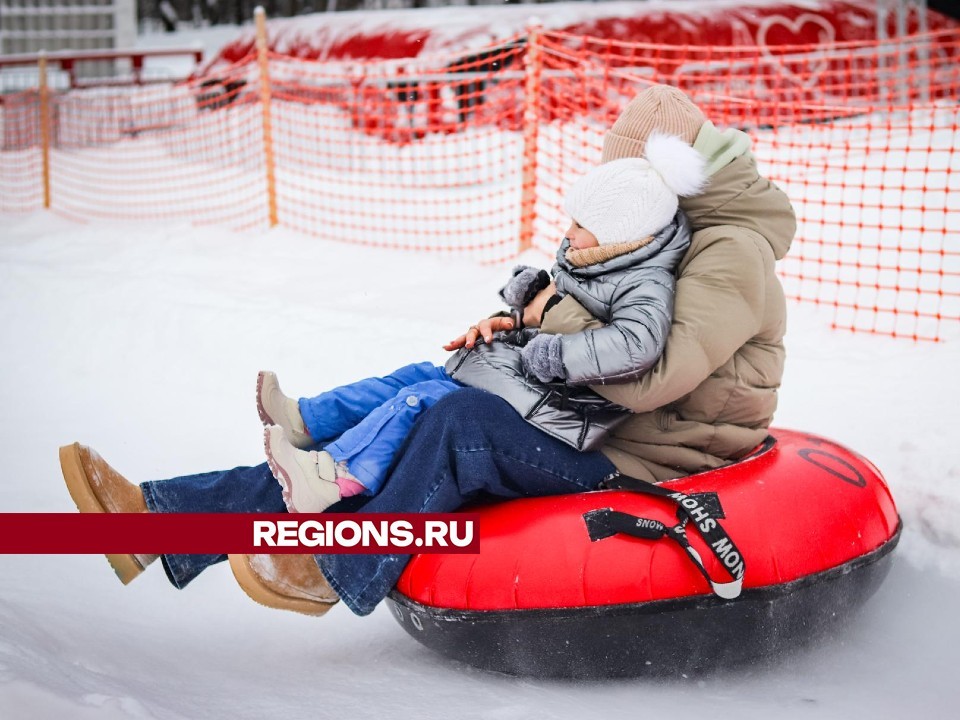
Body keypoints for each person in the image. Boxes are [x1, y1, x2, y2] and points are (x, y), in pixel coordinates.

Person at [59, 84, 795, 620]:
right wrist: (513, 327)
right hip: (584, 416)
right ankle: (158, 520)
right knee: (413, 401)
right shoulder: (664, 231)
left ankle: (340, 572)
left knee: (456, 423)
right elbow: (590, 320)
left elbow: (652, 375)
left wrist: (541, 323)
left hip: (646, 454)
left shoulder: (727, 253)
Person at [258, 134, 705, 515]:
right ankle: (307, 419)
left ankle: (334, 478)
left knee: (425, 399)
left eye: (580, 224)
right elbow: (550, 316)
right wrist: (513, 320)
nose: (567, 233)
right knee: (412, 377)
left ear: (619, 232)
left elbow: (636, 345)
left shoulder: (644, 283)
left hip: (555, 408)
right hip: (525, 380)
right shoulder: (594, 259)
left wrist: (555, 354)